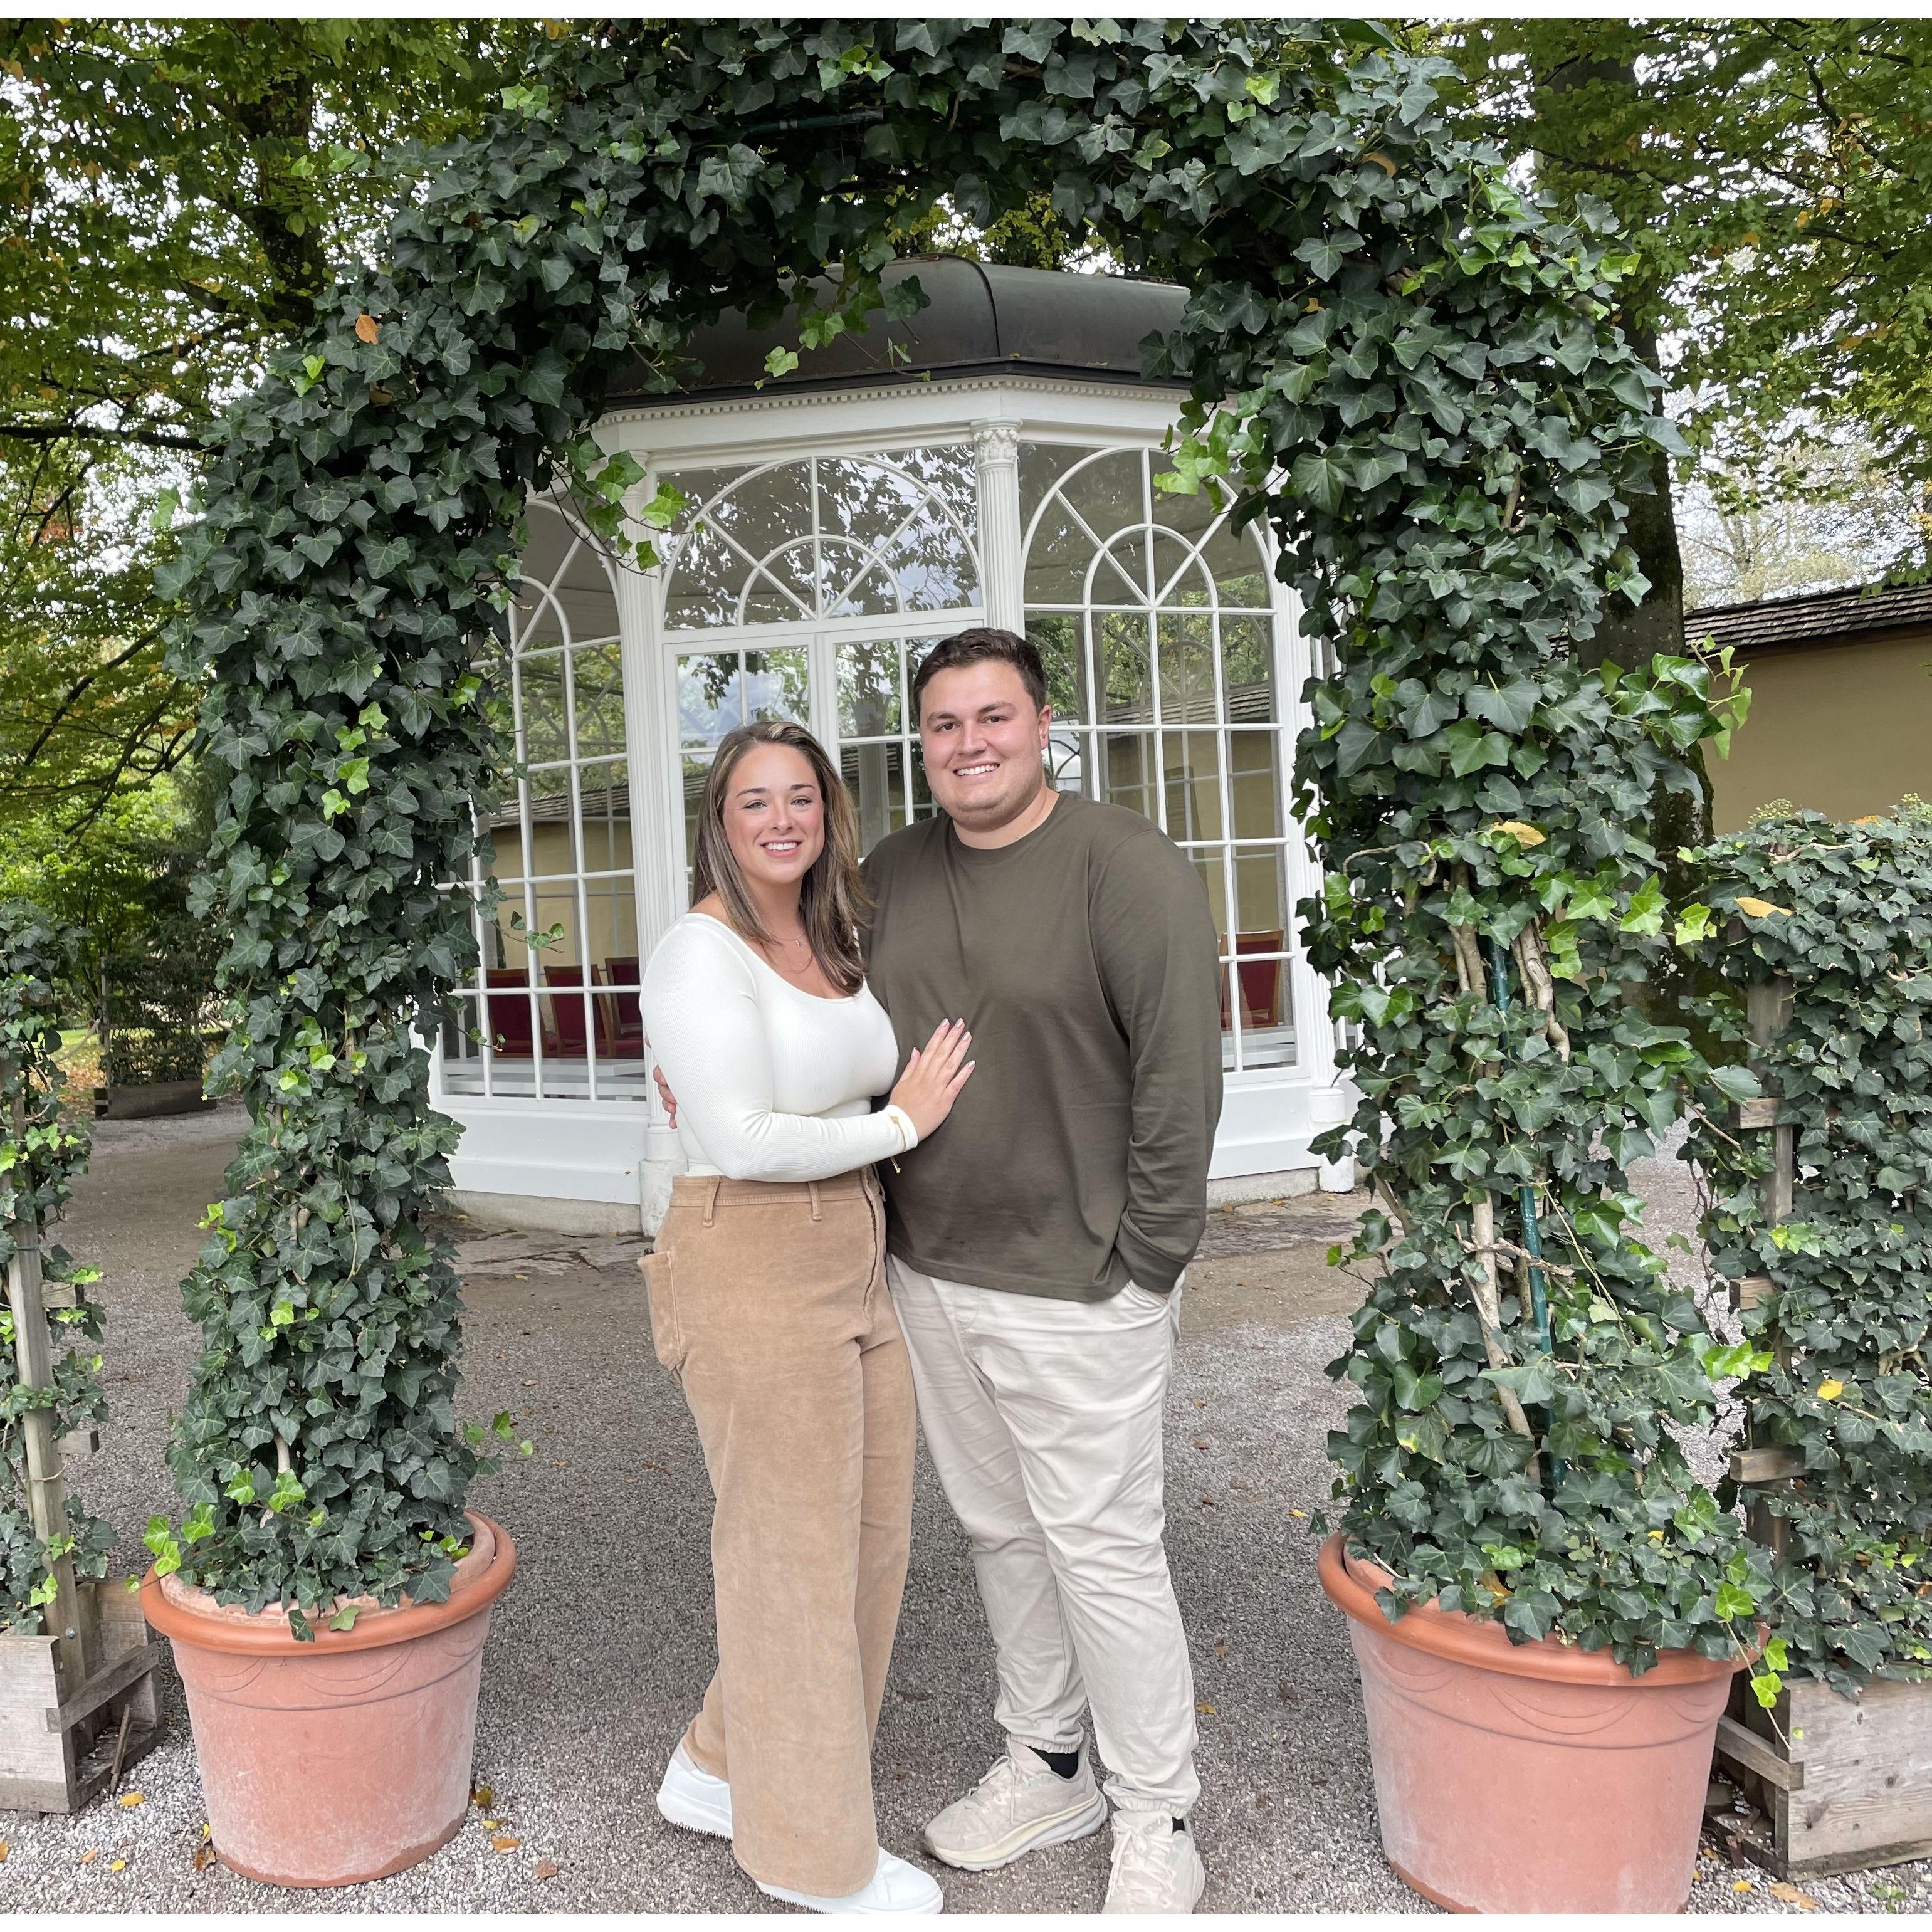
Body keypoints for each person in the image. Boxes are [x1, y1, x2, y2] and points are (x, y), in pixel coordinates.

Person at [656, 632, 1223, 1913]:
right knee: (998, 1532)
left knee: (1104, 1547)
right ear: (919, 744)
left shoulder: (1124, 868)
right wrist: (706, 1067)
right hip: (923, 1268)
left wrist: (1145, 1264)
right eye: (943, 723)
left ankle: (1157, 1810)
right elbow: (807, 1011)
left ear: (1039, 725)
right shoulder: (890, 874)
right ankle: (1046, 1759)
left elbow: (1181, 1088)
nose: (969, 742)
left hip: (1082, 1276)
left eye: (993, 716)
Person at [639, 718, 974, 1916]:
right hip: (752, 1249)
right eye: (752, 803)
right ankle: (808, 1852)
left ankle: (719, 1764)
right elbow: (739, 1136)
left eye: (800, 798)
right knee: (788, 1555)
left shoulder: (829, 934)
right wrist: (902, 1125)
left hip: (852, 1242)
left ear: (826, 813)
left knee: (869, 1541)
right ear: (718, 826)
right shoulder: (701, 951)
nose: (780, 819)